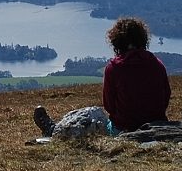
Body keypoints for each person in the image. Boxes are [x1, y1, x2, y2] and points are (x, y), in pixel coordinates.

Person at [33, 17, 171, 137]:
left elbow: (109, 106)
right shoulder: (157, 64)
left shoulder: (114, 68)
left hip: (123, 129)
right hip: (157, 124)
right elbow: (165, 97)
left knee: (89, 116)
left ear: (116, 42)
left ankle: (54, 130)